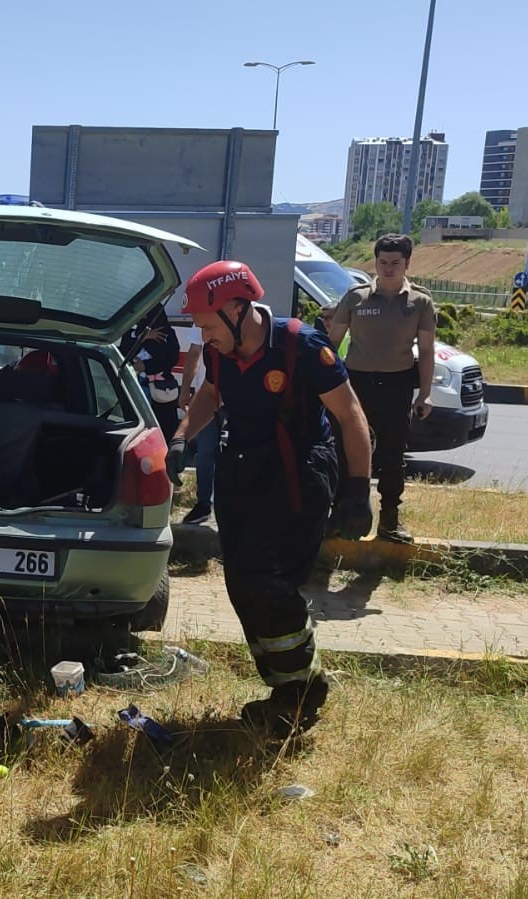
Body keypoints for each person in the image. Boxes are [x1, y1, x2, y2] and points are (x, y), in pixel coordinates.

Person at [168, 260, 373, 737]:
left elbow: (352, 416)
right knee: (241, 582)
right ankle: (287, 687)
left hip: (298, 475)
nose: (204, 336)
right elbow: (213, 394)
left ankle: (302, 694)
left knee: (268, 581)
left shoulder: (302, 346)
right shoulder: (223, 350)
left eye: (207, 324)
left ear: (238, 308)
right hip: (244, 471)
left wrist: (359, 490)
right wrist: (182, 436)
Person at [325, 233, 436, 543]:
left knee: (392, 456)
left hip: (397, 385)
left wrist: (424, 393)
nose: (388, 268)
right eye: (382, 262)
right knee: (343, 451)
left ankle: (390, 520)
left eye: (395, 263)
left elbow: (426, 351)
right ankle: (340, 515)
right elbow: (331, 345)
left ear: (407, 263)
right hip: (354, 385)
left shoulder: (420, 302)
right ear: (375, 262)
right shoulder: (355, 297)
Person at [122, 302, 182, 441]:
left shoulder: (167, 334)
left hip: (160, 388)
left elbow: (171, 358)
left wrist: (146, 366)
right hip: (135, 386)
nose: (143, 318)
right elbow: (124, 351)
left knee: (163, 428)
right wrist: (142, 337)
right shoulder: (133, 333)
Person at [178, 339, 220, 525]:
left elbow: (194, 353)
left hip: (238, 395)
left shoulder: (255, 312)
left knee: (207, 452)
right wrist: (186, 390)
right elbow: (194, 354)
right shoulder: (203, 317)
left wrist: (185, 391)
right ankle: (204, 504)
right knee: (205, 451)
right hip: (208, 394)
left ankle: (209, 504)